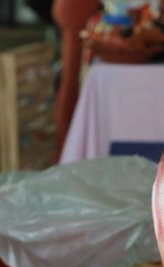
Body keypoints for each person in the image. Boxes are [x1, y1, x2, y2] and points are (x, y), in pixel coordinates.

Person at [52, 0, 101, 158]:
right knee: (72, 84)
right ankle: (70, 151)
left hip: (76, 12)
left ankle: (69, 149)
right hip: (77, 11)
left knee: (70, 83)